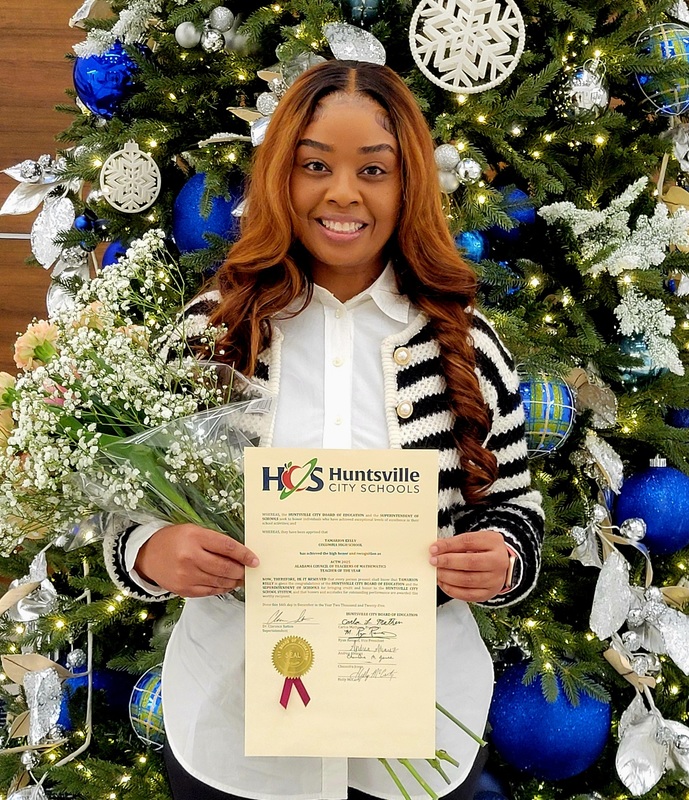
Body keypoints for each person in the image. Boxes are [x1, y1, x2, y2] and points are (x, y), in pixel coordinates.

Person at [103, 59, 544, 800]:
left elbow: (514, 506)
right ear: (281, 174)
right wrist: (149, 550)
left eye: (373, 169)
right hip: (234, 728)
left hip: (419, 732)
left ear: (408, 185)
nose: (342, 192)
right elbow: (125, 501)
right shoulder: (211, 332)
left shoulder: (467, 344)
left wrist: (502, 558)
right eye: (315, 165)